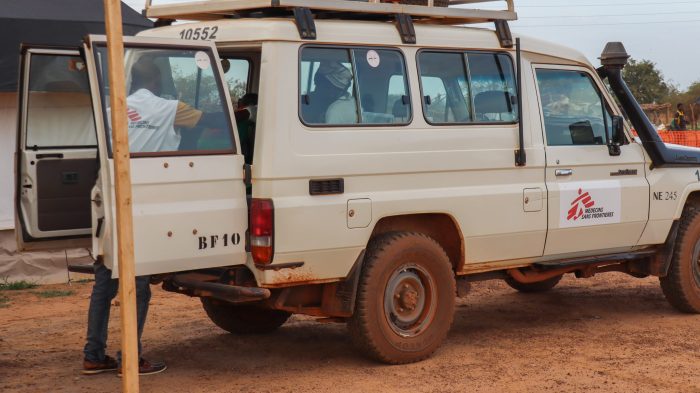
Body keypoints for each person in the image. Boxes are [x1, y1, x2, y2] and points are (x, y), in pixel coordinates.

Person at [83, 58, 226, 376]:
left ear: (131, 82)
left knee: (104, 283)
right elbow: (212, 121)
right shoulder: (169, 108)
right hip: (144, 203)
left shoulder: (111, 111)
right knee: (139, 284)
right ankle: (131, 359)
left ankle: (93, 354)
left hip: (108, 199)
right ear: (159, 83)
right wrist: (243, 112)